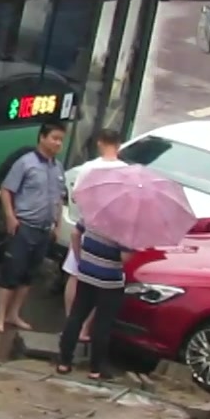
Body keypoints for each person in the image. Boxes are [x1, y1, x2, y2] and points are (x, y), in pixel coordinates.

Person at [0, 120, 67, 333]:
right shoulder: (25, 163)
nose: (58, 144)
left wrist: (57, 223)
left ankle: (14, 314)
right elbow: (7, 190)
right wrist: (10, 216)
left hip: (44, 229)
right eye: (54, 138)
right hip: (24, 226)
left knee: (29, 274)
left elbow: (59, 198)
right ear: (42, 137)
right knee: (11, 272)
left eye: (61, 140)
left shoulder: (58, 167)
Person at [61, 129, 127, 346]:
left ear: (100, 143)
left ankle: (71, 322)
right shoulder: (127, 171)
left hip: (86, 228)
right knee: (102, 285)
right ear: (119, 145)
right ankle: (85, 328)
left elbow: (76, 196)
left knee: (76, 274)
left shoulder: (89, 168)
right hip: (112, 233)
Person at [57, 222, 127, 379]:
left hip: (86, 273)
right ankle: (96, 369)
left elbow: (75, 233)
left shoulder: (93, 213)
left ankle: (64, 362)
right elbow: (125, 258)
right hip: (110, 280)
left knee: (76, 315)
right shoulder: (125, 225)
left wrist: (79, 258)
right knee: (103, 323)